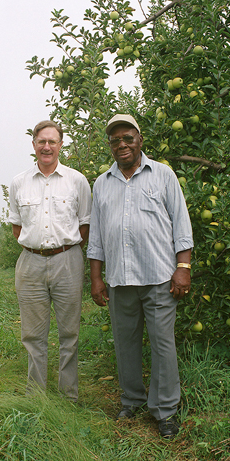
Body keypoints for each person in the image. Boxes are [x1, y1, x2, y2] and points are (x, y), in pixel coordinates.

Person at [87, 114, 193, 438]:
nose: (121, 144)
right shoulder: (102, 184)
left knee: (163, 346)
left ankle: (164, 412)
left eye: (127, 138)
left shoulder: (162, 175)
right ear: (110, 145)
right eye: (115, 140)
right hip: (120, 281)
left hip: (161, 278)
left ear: (139, 139)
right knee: (125, 345)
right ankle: (131, 400)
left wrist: (183, 268)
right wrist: (96, 279)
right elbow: (96, 238)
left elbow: (182, 225)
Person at [9, 120, 91, 401]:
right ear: (33, 145)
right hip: (30, 263)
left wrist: (62, 248)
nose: (46, 146)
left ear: (60, 145)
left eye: (52, 141)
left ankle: (69, 395)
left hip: (67, 261)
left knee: (69, 332)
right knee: (33, 335)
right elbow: (17, 228)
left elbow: (85, 225)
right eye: (41, 141)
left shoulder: (77, 181)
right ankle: (37, 396)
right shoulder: (19, 183)